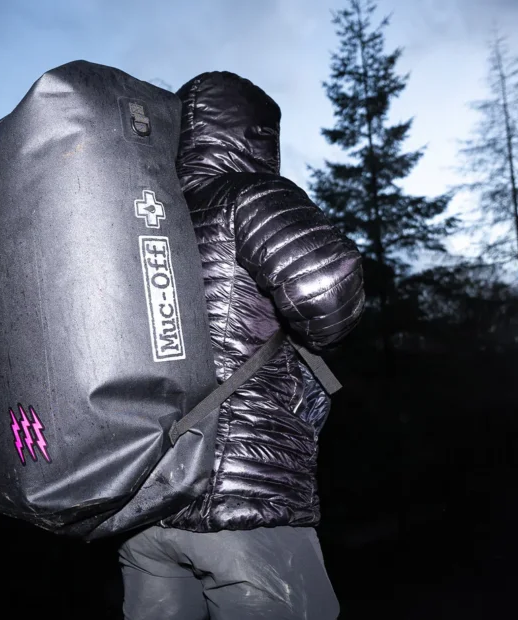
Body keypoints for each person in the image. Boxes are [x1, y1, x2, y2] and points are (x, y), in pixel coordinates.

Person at [117, 71, 366, 619]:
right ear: (257, 135)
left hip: (144, 505)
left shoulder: (137, 217)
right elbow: (327, 293)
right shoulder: (248, 194)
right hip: (242, 501)